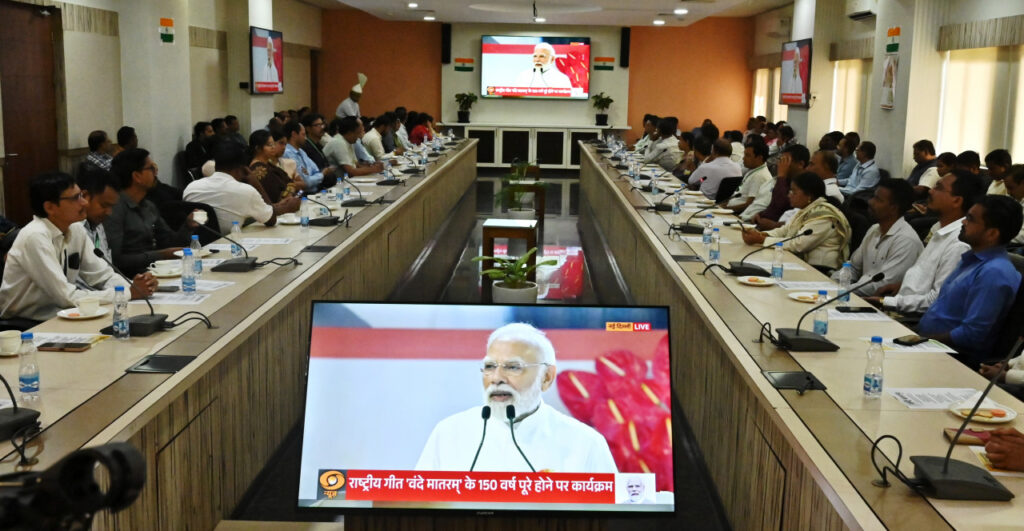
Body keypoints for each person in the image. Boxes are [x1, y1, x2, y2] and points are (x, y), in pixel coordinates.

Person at [415, 323, 617, 473]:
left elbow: (608, 513)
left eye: (513, 367)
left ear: (546, 377)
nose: (496, 378)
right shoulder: (448, 433)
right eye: (489, 366)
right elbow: (421, 507)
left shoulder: (586, 443)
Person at [0, 172, 157, 321]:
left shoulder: (75, 228)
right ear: (50, 207)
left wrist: (135, 287)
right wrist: (127, 293)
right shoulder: (34, 236)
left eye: (81, 195)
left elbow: (103, 275)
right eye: (75, 198)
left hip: (61, 314)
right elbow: (66, 296)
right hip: (25, 322)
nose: (84, 202)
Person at [916, 195, 1023, 366]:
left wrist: (922, 340)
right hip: (928, 345)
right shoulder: (971, 259)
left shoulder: (994, 272)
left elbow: (972, 335)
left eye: (971, 219)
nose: (963, 222)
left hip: (952, 359)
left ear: (992, 233)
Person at [867, 171, 983, 314]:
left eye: (939, 188)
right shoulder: (939, 229)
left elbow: (937, 300)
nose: (931, 191)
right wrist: (901, 286)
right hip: (901, 306)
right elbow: (925, 280)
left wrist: (886, 302)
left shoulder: (959, 243)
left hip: (912, 319)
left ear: (957, 201)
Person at [105, 149, 195, 277]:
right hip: (130, 278)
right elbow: (115, 259)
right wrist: (161, 255)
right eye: (151, 168)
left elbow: (171, 243)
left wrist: (188, 226)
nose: (156, 172)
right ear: (137, 176)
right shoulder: (114, 208)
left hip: (158, 272)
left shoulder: (148, 206)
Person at [742, 171, 852, 271]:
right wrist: (760, 234)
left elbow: (798, 244)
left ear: (809, 195)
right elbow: (784, 231)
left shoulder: (823, 216)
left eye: (794, 192)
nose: (789, 195)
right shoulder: (806, 210)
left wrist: (762, 240)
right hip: (802, 263)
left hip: (820, 270)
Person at [184, 142, 301, 234]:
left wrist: (278, 206)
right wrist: (255, 183)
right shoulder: (245, 191)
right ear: (243, 168)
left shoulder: (191, 187)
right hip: (230, 245)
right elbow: (271, 220)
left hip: (197, 247)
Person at [831, 178, 922, 295]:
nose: (870, 202)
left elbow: (881, 285)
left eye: (878, 200)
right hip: (856, 294)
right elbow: (853, 268)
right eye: (873, 197)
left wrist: (840, 291)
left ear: (893, 208)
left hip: (878, 302)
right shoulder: (874, 229)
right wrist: (831, 283)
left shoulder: (906, 240)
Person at [753, 144, 808, 230]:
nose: (779, 165)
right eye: (780, 160)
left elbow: (781, 204)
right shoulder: (787, 179)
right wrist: (760, 214)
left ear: (800, 164)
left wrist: (781, 176)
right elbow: (774, 205)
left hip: (778, 233)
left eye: (784, 161)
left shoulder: (805, 184)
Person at [248, 130, 304, 203]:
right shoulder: (259, 170)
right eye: (269, 145)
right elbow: (274, 196)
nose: (273, 147)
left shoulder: (269, 164)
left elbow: (293, 185)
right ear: (258, 148)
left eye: (273, 144)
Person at [77, 167, 120, 260]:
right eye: (104, 205)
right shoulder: (71, 229)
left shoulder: (98, 225)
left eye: (111, 207)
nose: (109, 212)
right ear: (85, 196)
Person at [281, 120, 334, 192]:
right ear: (294, 134)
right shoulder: (287, 153)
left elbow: (316, 170)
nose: (306, 138)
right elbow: (306, 182)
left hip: (316, 191)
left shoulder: (301, 151)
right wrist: (322, 175)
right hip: (304, 194)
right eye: (303, 134)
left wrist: (314, 176)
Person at [727, 140, 773, 221]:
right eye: (744, 154)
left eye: (747, 155)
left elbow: (748, 204)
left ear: (759, 158)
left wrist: (726, 209)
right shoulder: (754, 170)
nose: (743, 158)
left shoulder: (759, 176)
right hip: (732, 210)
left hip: (737, 215)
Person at [1005, 165, 1024, 246]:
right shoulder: (1015, 199)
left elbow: (1022, 236)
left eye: (1011, 188)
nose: (1008, 192)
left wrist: (997, 238)